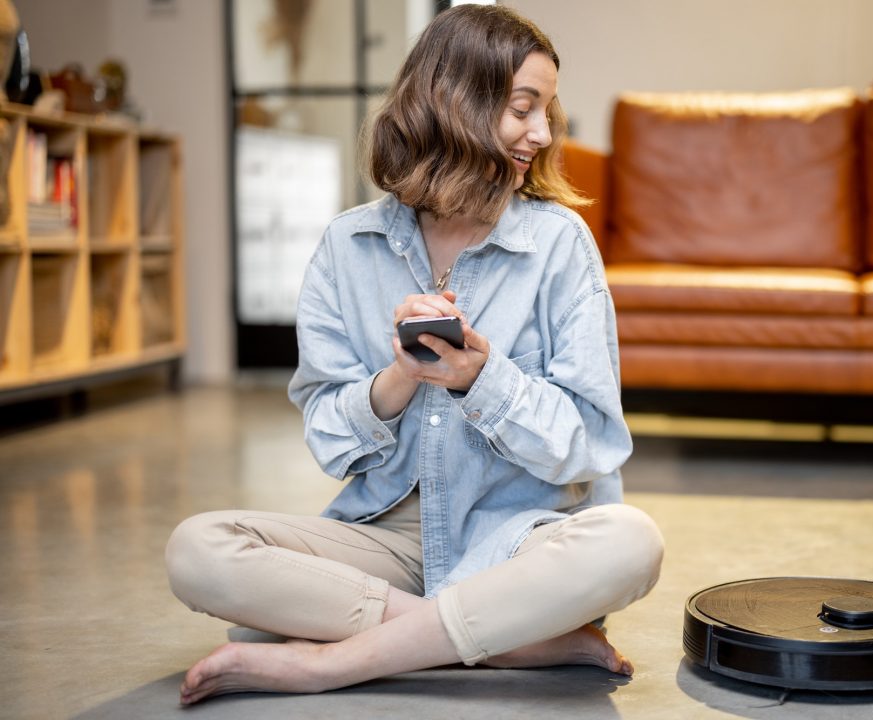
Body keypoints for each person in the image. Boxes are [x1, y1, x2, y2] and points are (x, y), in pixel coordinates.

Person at [165, 4, 664, 705]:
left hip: (522, 537)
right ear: (455, 102)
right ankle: (508, 644)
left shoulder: (561, 244)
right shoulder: (348, 247)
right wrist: (399, 377)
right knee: (199, 550)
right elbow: (330, 441)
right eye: (524, 108)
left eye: (548, 110)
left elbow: (590, 446)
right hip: (389, 540)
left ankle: (329, 661)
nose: (544, 134)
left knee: (629, 541)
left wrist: (481, 379)